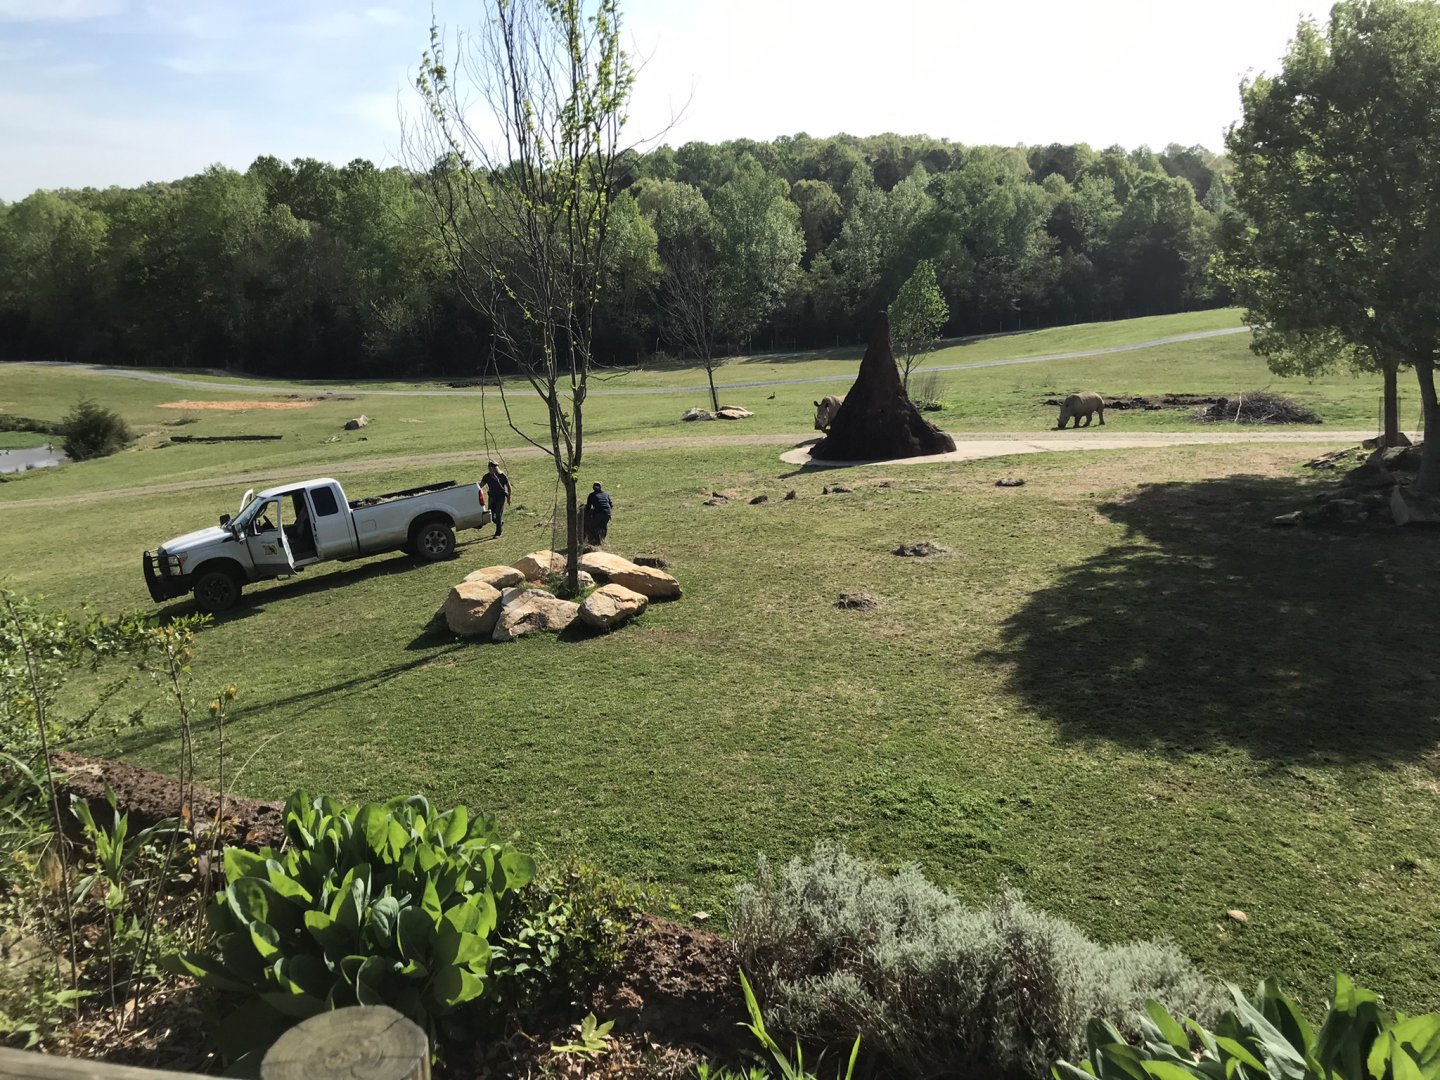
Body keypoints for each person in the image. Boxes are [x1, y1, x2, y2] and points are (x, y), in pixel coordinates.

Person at [481, 460, 512, 537]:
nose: (490, 470)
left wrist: (509, 497)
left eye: (492, 468)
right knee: (491, 516)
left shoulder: (502, 476)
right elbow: (480, 485)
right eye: (489, 468)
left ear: (496, 468)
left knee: (498, 514)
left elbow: (509, 486)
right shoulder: (487, 477)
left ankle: (498, 532)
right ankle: (500, 522)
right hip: (492, 498)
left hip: (500, 497)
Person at [584, 481, 613, 547]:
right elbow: (611, 504)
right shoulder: (606, 494)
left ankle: (597, 541)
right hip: (607, 513)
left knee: (593, 526)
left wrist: (587, 513)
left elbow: (588, 507)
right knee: (603, 525)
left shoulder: (591, 495)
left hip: (599, 513)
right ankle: (603, 539)